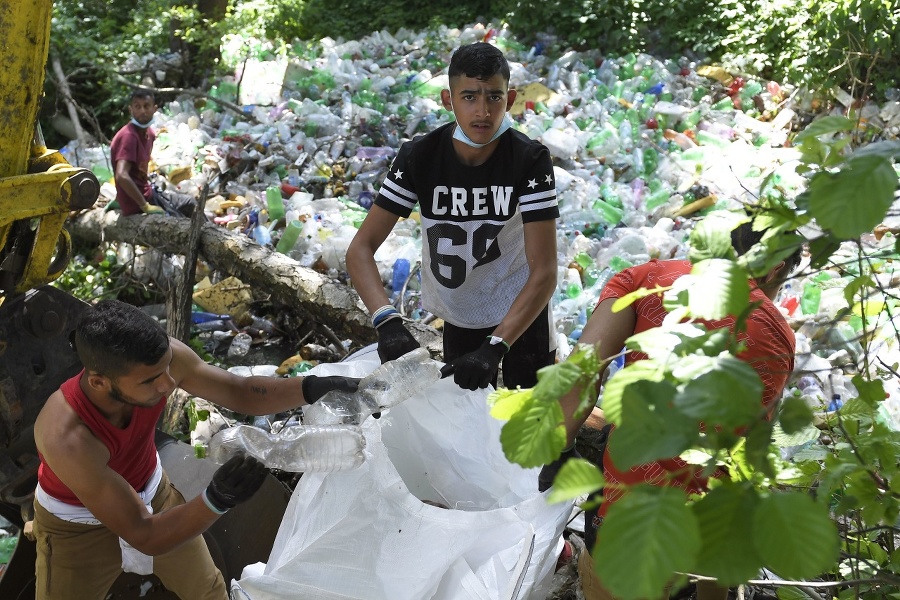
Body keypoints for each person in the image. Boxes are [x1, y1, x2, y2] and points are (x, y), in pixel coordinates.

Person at [31, 299, 359, 600]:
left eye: (168, 369)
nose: (167, 385)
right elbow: (143, 533)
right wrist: (216, 499)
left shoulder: (160, 364)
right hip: (77, 527)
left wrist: (311, 386)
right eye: (150, 382)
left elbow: (240, 392)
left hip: (152, 491)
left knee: (207, 590)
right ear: (99, 382)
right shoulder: (67, 435)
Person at [542, 223, 803, 600]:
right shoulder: (775, 335)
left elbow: (583, 369)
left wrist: (561, 444)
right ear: (775, 269)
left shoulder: (647, 279)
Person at [346, 42, 559, 391]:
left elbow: (545, 271)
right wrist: (387, 322)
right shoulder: (421, 156)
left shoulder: (529, 159)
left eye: (494, 97)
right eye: (470, 96)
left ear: (511, 98)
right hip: (460, 312)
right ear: (449, 100)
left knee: (535, 429)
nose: (483, 111)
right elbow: (360, 249)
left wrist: (496, 345)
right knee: (466, 426)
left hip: (522, 313)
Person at [109, 89, 196, 217]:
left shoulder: (149, 134)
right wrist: (144, 206)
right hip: (138, 203)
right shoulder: (129, 136)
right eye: (137, 107)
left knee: (190, 203)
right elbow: (121, 175)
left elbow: (137, 172)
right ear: (131, 110)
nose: (142, 111)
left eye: (146, 106)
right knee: (184, 213)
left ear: (154, 109)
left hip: (148, 193)